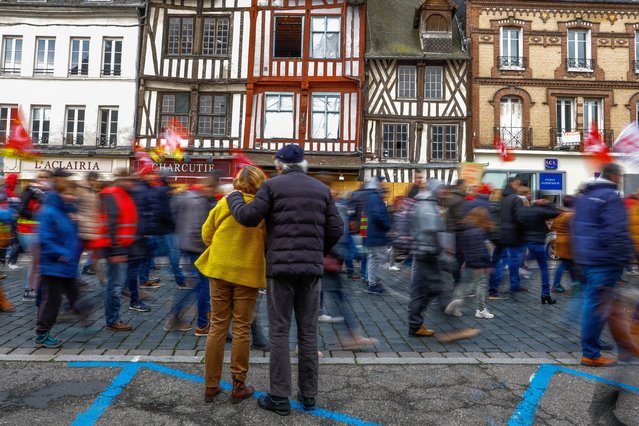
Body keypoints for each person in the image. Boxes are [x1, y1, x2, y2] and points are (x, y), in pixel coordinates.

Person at [226, 145, 343, 416]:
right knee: (308, 332)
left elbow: (248, 217)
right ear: (303, 163)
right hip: (311, 271)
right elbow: (336, 228)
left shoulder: (272, 187)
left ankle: (279, 397)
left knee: (279, 332)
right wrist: (317, 252)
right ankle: (309, 395)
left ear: (280, 164)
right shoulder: (321, 190)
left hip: (280, 270)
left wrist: (234, 197)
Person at [196, 166, 266, 404]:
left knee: (217, 325)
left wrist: (220, 250)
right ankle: (238, 384)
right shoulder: (261, 208)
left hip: (220, 269)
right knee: (242, 327)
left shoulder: (225, 203)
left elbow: (206, 233)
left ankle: (211, 385)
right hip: (247, 271)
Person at [572, 163, 636, 366]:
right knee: (597, 306)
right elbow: (616, 230)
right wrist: (624, 257)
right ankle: (591, 353)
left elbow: (577, 226)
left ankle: (626, 348)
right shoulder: (610, 197)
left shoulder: (584, 198)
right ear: (615, 177)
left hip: (586, 257)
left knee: (605, 304)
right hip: (604, 259)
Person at [34, 178, 86, 348]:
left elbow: (70, 236)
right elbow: (45, 238)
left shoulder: (66, 211)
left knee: (74, 293)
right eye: (68, 193)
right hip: (53, 264)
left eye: (73, 194)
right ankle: (42, 334)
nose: (72, 197)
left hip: (66, 264)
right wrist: (61, 253)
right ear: (60, 193)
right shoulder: (49, 211)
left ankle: (79, 311)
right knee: (52, 300)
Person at [165, 174, 220, 335]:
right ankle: (202, 324)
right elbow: (198, 229)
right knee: (203, 286)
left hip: (185, 244)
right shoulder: (200, 201)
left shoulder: (188, 196)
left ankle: (175, 317)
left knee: (194, 285)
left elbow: (175, 217)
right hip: (197, 248)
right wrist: (206, 247)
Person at [95, 169, 138, 331]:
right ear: (120, 179)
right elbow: (110, 223)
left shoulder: (121, 194)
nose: (131, 184)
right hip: (116, 249)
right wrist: (115, 250)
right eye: (128, 180)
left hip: (121, 247)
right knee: (114, 286)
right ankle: (112, 320)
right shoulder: (113, 195)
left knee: (115, 285)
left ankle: (113, 319)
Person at [408, 179, 450, 336]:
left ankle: (416, 324)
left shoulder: (426, 203)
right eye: (442, 189)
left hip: (424, 252)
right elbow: (431, 230)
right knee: (432, 288)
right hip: (427, 253)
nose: (444, 192)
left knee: (421, 290)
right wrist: (439, 250)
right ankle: (418, 323)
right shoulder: (428, 206)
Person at [445, 206, 495, 319]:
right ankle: (481, 309)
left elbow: (464, 248)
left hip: (469, 261)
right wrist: (486, 263)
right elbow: (481, 249)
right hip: (479, 262)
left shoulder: (466, 229)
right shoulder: (479, 231)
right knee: (481, 284)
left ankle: (456, 302)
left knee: (465, 284)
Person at [18, 170, 53, 302]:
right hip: (28, 230)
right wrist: (39, 215)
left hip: (42, 230)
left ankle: (36, 289)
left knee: (39, 261)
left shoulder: (51, 192)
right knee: (36, 261)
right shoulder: (31, 190)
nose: (43, 179)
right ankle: (30, 290)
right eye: (41, 177)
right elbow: (22, 210)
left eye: (46, 177)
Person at [519, 194, 559, 304]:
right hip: (538, 242)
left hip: (528, 241)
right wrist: (548, 204)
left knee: (529, 258)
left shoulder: (527, 210)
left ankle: (524, 267)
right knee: (544, 269)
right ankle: (545, 294)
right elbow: (555, 213)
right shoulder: (540, 211)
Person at [493, 177, 525, 293]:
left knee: (499, 261)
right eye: (519, 184)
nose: (520, 187)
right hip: (512, 234)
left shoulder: (502, 198)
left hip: (500, 233)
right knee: (511, 261)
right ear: (514, 184)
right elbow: (520, 218)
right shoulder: (515, 199)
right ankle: (511, 285)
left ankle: (494, 287)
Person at [360, 176, 391, 294]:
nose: (383, 184)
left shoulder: (370, 196)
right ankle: (372, 284)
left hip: (372, 234)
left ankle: (372, 282)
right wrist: (387, 225)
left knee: (373, 259)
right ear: (377, 183)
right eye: (382, 182)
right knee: (377, 259)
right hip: (377, 234)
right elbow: (378, 215)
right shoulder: (374, 197)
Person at [77, 171, 104, 283]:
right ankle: (75, 278)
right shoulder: (80, 189)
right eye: (95, 180)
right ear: (90, 179)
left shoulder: (94, 191)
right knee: (76, 256)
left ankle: (99, 276)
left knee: (97, 253)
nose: (96, 183)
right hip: (82, 228)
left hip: (91, 228)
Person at [551, 196, 578, 293]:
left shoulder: (560, 214)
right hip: (568, 242)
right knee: (566, 264)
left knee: (569, 264)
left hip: (559, 241)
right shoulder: (571, 215)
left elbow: (553, 227)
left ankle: (575, 283)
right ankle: (556, 285)